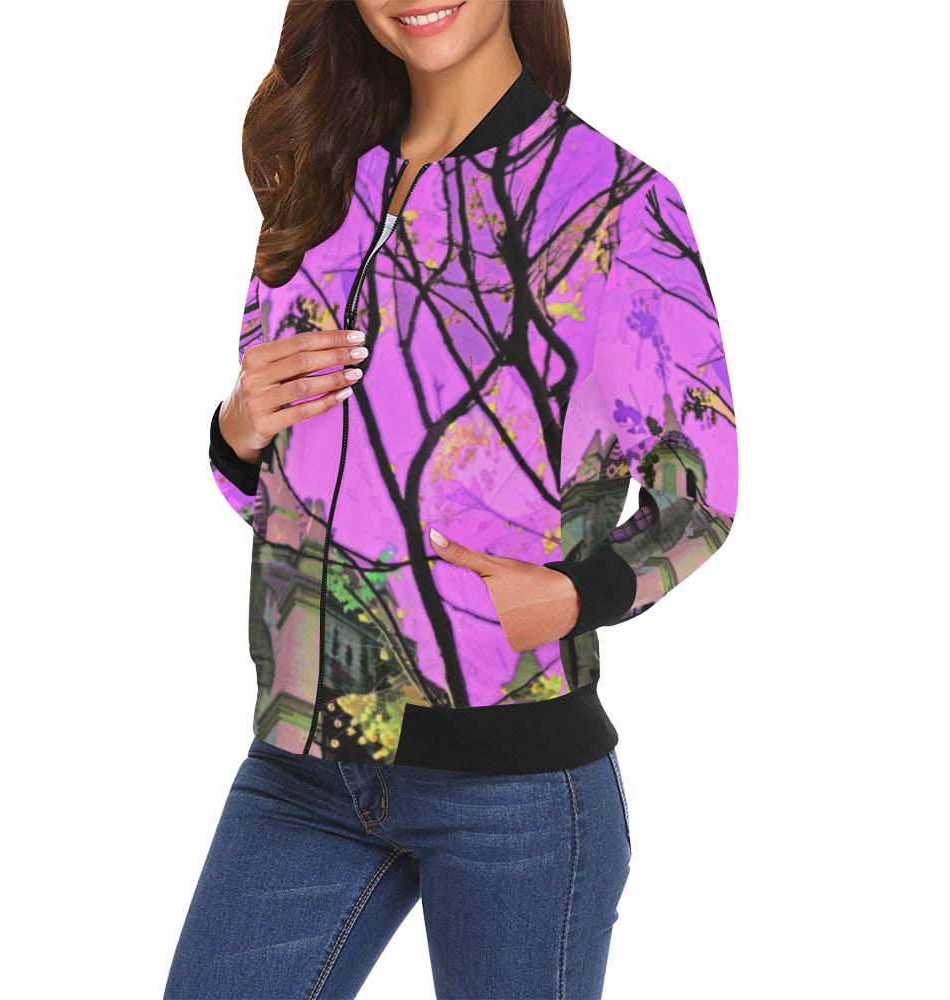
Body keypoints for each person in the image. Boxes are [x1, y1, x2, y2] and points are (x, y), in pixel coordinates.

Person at [164, 1, 738, 997]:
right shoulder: (321, 183)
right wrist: (237, 429)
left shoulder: (612, 204)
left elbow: (703, 491)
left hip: (515, 790)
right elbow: (287, 502)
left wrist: (577, 594)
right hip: (309, 757)